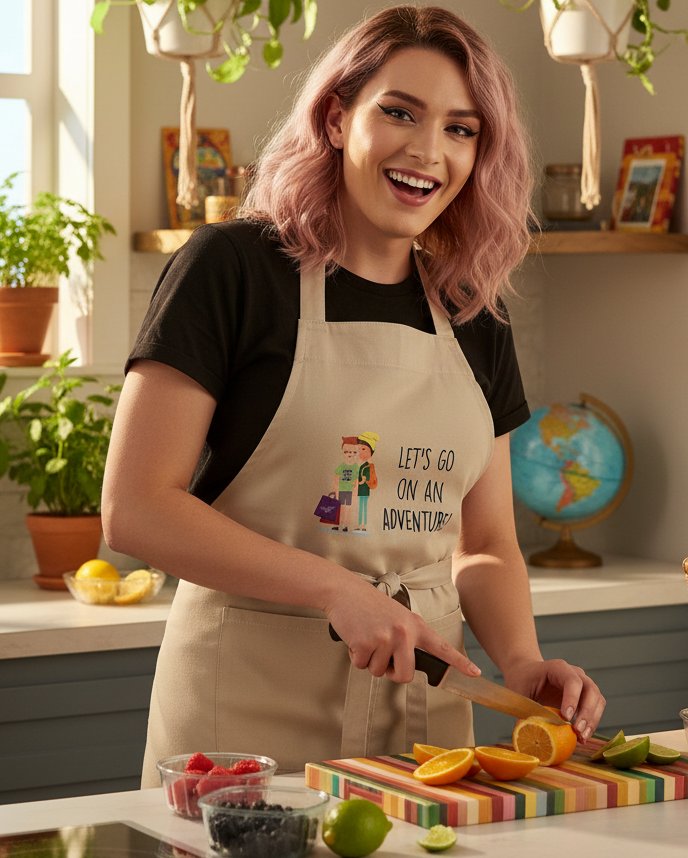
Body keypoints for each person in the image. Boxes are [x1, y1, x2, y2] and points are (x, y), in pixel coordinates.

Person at [102, 4, 606, 783]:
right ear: (337, 119)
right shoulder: (233, 268)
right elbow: (136, 507)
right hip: (240, 720)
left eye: (461, 129)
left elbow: (485, 544)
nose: (427, 150)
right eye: (399, 112)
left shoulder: (474, 313)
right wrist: (337, 589)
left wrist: (521, 660)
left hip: (425, 719)